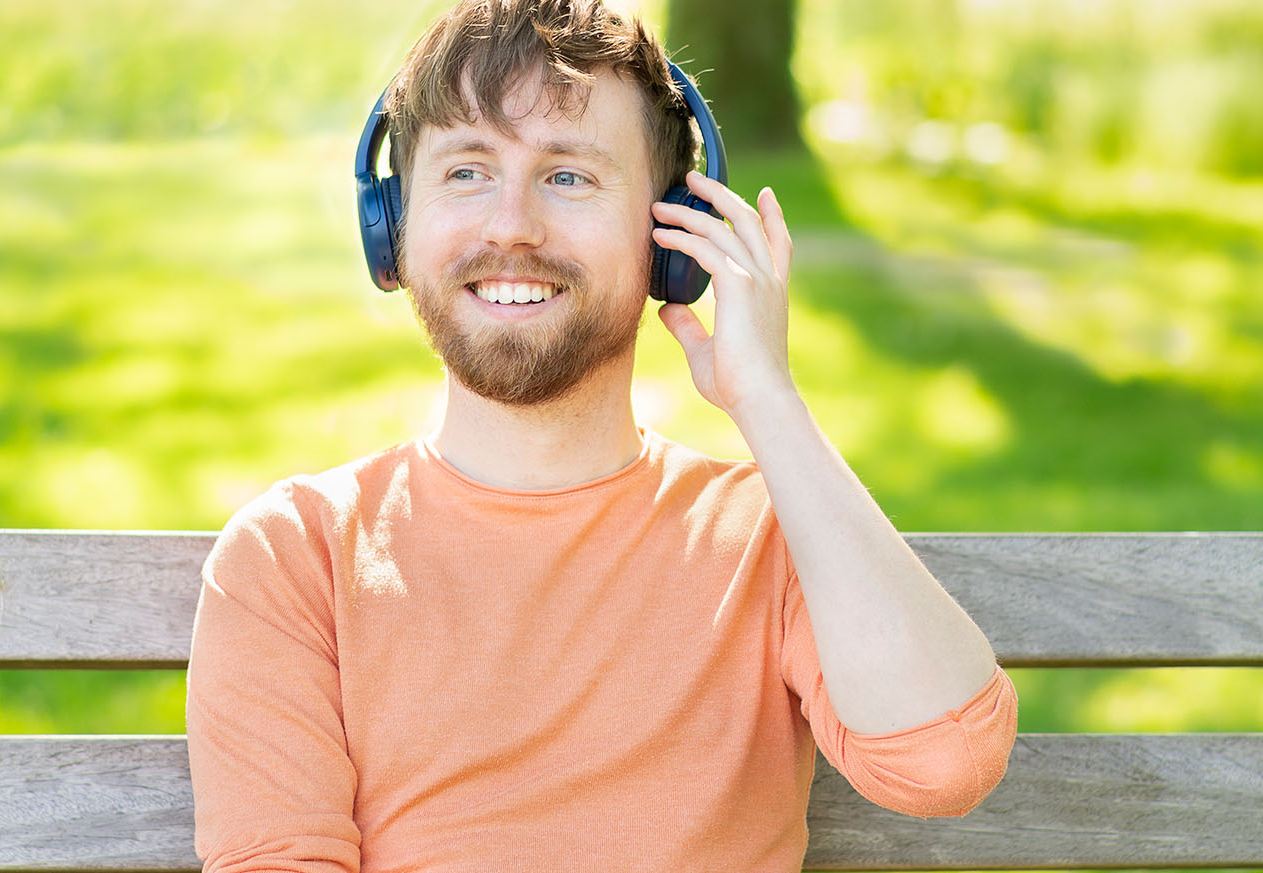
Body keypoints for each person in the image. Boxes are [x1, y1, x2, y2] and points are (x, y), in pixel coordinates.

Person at [185, 1, 1018, 870]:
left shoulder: (772, 536)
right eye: (466, 172)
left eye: (569, 177)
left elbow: (944, 760)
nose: (511, 225)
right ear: (392, 222)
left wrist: (767, 398)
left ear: (672, 241)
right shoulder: (296, 555)